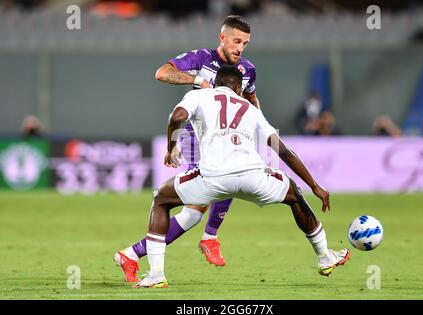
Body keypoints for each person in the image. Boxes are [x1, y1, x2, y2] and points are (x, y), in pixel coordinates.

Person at [132, 65, 350, 288]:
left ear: (215, 83)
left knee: (161, 199)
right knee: (294, 193)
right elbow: (283, 151)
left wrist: (170, 148)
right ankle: (325, 257)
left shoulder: (198, 95)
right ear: (238, 88)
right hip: (253, 176)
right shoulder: (250, 108)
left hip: (212, 178)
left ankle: (156, 274)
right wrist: (314, 185)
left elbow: (177, 117)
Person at [115, 15, 261, 282]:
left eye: (245, 43)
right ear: (222, 38)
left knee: (192, 214)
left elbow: (251, 98)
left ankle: (132, 255)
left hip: (224, 139)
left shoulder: (247, 70)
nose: (240, 48)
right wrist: (196, 81)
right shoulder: (200, 59)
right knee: (227, 173)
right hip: (197, 138)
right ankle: (210, 237)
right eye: (236, 41)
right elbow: (162, 73)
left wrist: (257, 125)